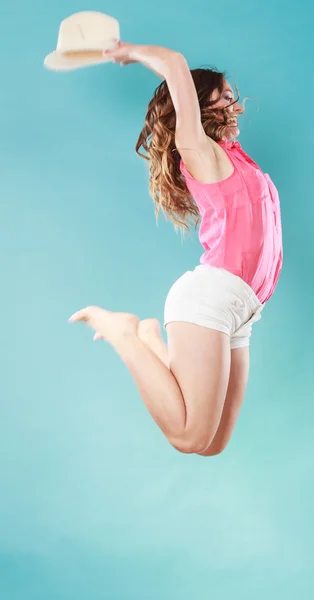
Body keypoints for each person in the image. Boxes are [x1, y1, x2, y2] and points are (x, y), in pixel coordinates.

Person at [69, 42, 283, 456]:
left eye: (232, 98)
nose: (234, 106)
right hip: (213, 299)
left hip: (244, 310)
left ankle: (150, 337)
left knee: (212, 445)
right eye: (223, 99)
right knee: (188, 437)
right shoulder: (199, 151)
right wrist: (124, 50)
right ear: (199, 109)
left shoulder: (238, 160)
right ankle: (123, 332)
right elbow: (175, 65)